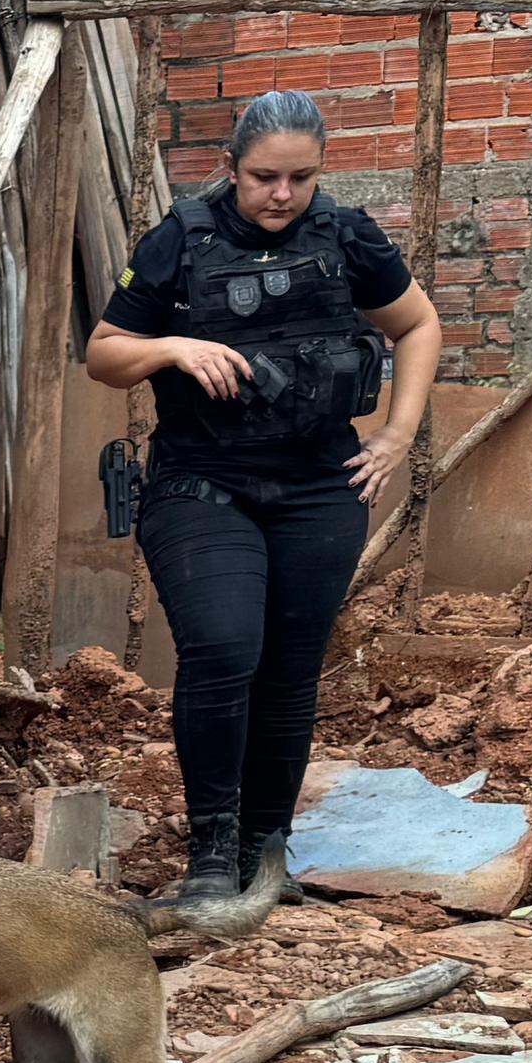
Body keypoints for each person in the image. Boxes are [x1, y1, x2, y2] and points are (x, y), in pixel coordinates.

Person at [82, 90, 443, 908]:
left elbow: (417, 326)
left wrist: (396, 434)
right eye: (263, 178)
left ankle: (265, 850)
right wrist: (172, 346)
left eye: (299, 178)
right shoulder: (183, 237)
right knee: (221, 648)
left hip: (321, 485)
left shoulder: (347, 237)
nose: (281, 195)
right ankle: (212, 850)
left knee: (288, 669)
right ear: (231, 169)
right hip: (199, 481)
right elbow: (104, 354)